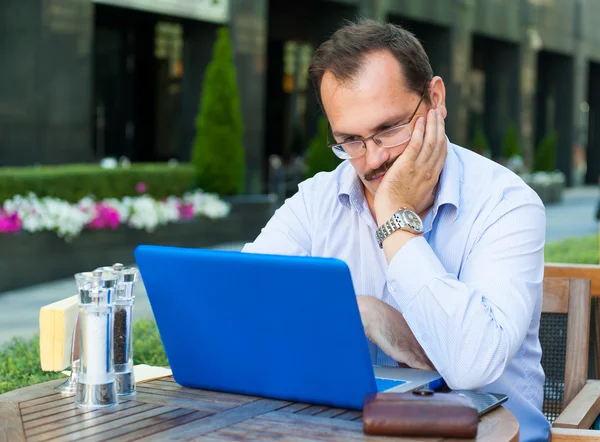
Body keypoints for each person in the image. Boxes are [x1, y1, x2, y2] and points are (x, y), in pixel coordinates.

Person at [243, 19, 548, 441]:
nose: (371, 161)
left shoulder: (506, 204)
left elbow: (472, 365)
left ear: (436, 100)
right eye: (350, 139)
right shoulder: (318, 199)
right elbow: (242, 306)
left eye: (388, 130)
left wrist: (394, 215)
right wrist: (362, 310)